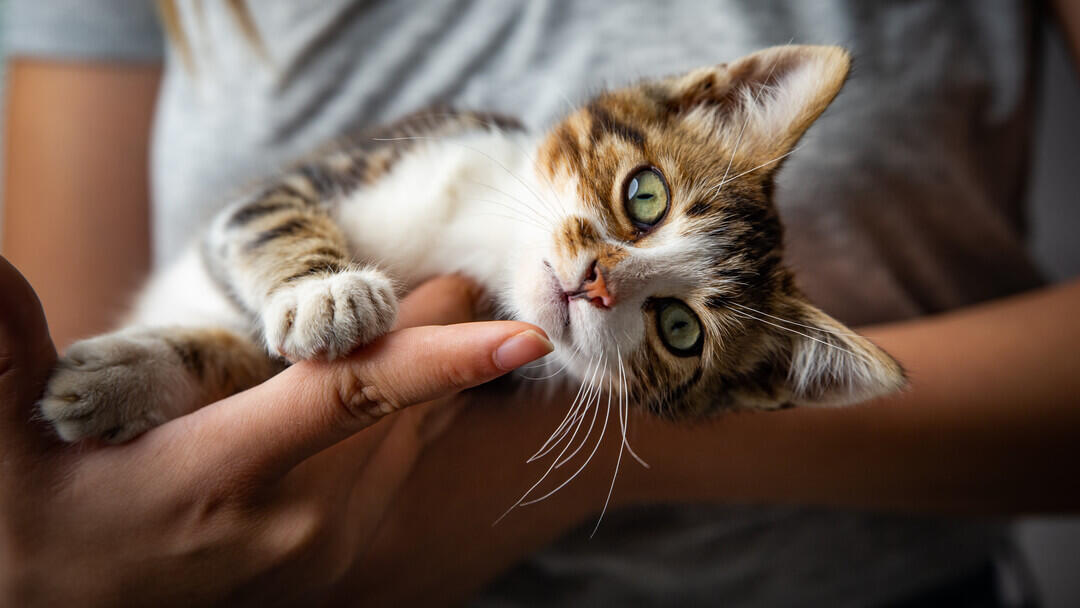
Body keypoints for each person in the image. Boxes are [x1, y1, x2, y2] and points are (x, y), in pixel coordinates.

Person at [2, 0, 1078, 605]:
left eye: (673, 322)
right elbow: (68, 405)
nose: (610, 277)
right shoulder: (457, 168)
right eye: (645, 197)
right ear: (716, 95)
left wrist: (508, 479)